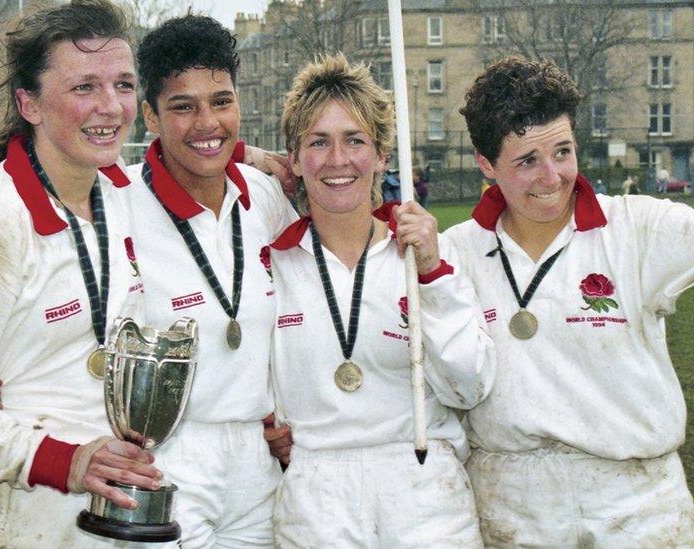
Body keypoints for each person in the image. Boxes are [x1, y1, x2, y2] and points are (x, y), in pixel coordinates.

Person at [0, 1, 162, 546]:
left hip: (111, 513)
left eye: (124, 84)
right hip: (19, 521)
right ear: (29, 103)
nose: (111, 107)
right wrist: (62, 460)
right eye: (84, 87)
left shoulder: (121, 197)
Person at [449, 56, 694, 546]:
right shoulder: (456, 252)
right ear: (486, 164)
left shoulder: (638, 228)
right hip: (512, 507)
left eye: (563, 151)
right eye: (526, 161)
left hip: (637, 505)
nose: (552, 176)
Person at [268, 53, 493, 548]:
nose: (337, 160)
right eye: (318, 142)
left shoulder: (428, 256)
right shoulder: (274, 265)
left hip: (422, 484)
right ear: (294, 158)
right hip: (315, 492)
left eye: (355, 140)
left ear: (383, 155)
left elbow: (469, 387)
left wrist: (432, 273)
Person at [127, 15, 296, 546]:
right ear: (150, 116)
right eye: (183, 106)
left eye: (221, 102)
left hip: (256, 458)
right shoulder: (117, 204)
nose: (208, 123)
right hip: (165, 457)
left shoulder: (266, 197)